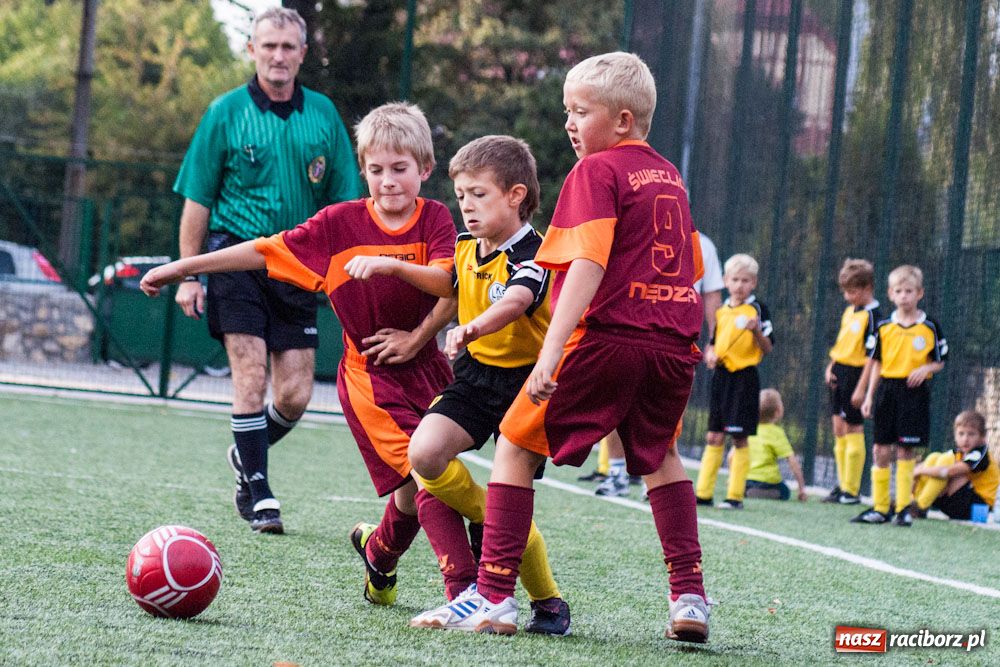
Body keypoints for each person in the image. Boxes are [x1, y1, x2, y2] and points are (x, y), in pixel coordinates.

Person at [409, 52, 711, 643]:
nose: (569, 123)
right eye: (567, 111)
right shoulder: (670, 177)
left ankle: (494, 595)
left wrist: (550, 353)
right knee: (661, 458)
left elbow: (587, 264)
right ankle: (690, 598)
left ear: (622, 121)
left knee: (515, 444)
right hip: (674, 341)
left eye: (580, 111)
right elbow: (689, 266)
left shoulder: (596, 171)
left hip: (609, 338)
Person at [144, 102, 459, 604]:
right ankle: (464, 589)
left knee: (409, 496)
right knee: (430, 476)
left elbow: (449, 283)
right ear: (363, 171)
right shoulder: (338, 224)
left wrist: (415, 334)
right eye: (376, 169)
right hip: (372, 379)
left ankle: (379, 553)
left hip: (427, 369)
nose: (388, 181)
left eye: (400, 169)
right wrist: (184, 268)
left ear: (425, 168)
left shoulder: (437, 217)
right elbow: (263, 250)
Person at [171, 7, 361, 534]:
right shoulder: (225, 112)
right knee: (250, 374)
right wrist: (188, 275)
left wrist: (344, 271)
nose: (278, 56)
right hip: (234, 257)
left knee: (295, 395)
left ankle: (245, 452)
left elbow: (344, 204)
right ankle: (259, 492)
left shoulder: (323, 114)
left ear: (303, 54)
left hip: (298, 264)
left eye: (288, 47)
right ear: (252, 50)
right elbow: (197, 201)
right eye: (269, 46)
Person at [405, 135, 570, 635]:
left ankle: (548, 603)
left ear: (516, 196)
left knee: (508, 489)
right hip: (476, 377)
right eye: (461, 195)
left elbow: (516, 300)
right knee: (424, 454)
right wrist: (393, 268)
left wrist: (473, 327)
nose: (467, 205)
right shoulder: (464, 247)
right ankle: (484, 556)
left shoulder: (538, 252)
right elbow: (450, 284)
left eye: (479, 194)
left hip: (528, 384)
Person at [587, 232, 724, 498]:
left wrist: (715, 339)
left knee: (665, 412)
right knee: (616, 402)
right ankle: (617, 473)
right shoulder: (636, 230)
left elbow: (712, 294)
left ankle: (653, 479)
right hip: (630, 329)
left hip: (675, 337)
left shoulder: (701, 243)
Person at [852, 265, 947, 527]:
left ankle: (903, 508)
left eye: (909, 291)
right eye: (899, 291)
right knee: (880, 449)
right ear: (891, 294)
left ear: (920, 293)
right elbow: (876, 363)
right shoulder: (884, 326)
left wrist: (925, 369)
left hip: (914, 394)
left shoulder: (930, 326)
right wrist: (869, 396)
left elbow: (939, 361)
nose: (904, 296)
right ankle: (881, 507)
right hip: (887, 391)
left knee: (906, 449)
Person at [694, 254, 774, 510]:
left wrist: (756, 330)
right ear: (726, 281)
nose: (740, 285)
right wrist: (710, 356)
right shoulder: (722, 311)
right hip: (721, 378)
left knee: (739, 437)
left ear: (754, 283)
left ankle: (734, 496)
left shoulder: (758, 310)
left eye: (746, 280)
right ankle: (703, 494)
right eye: (735, 279)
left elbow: (768, 347)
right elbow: (713, 344)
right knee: (713, 436)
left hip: (744, 380)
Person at [822, 259, 880, 505]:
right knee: (838, 428)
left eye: (853, 291)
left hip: (857, 375)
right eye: (845, 291)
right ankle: (842, 483)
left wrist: (861, 388)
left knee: (853, 427)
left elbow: (872, 357)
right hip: (840, 372)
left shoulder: (874, 317)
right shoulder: (849, 311)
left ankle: (852, 490)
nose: (848, 297)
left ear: (868, 287)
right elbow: (842, 344)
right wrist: (831, 366)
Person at [910, 410, 998, 521]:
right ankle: (914, 503)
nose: (965, 439)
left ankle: (921, 506)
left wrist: (920, 471)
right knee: (934, 457)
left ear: (982, 437)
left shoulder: (980, 453)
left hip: (979, 506)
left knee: (948, 466)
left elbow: (949, 471)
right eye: (961, 434)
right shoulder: (959, 452)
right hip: (959, 502)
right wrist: (916, 471)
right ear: (955, 435)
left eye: (971, 434)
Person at [741, 389, 808, 501]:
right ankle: (760, 493)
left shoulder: (749, 429)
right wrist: (801, 488)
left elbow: (731, 455)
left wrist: (733, 478)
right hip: (767, 481)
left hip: (746, 479)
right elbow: (792, 461)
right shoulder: (777, 433)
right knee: (784, 491)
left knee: (746, 485)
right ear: (777, 412)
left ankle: (744, 489)